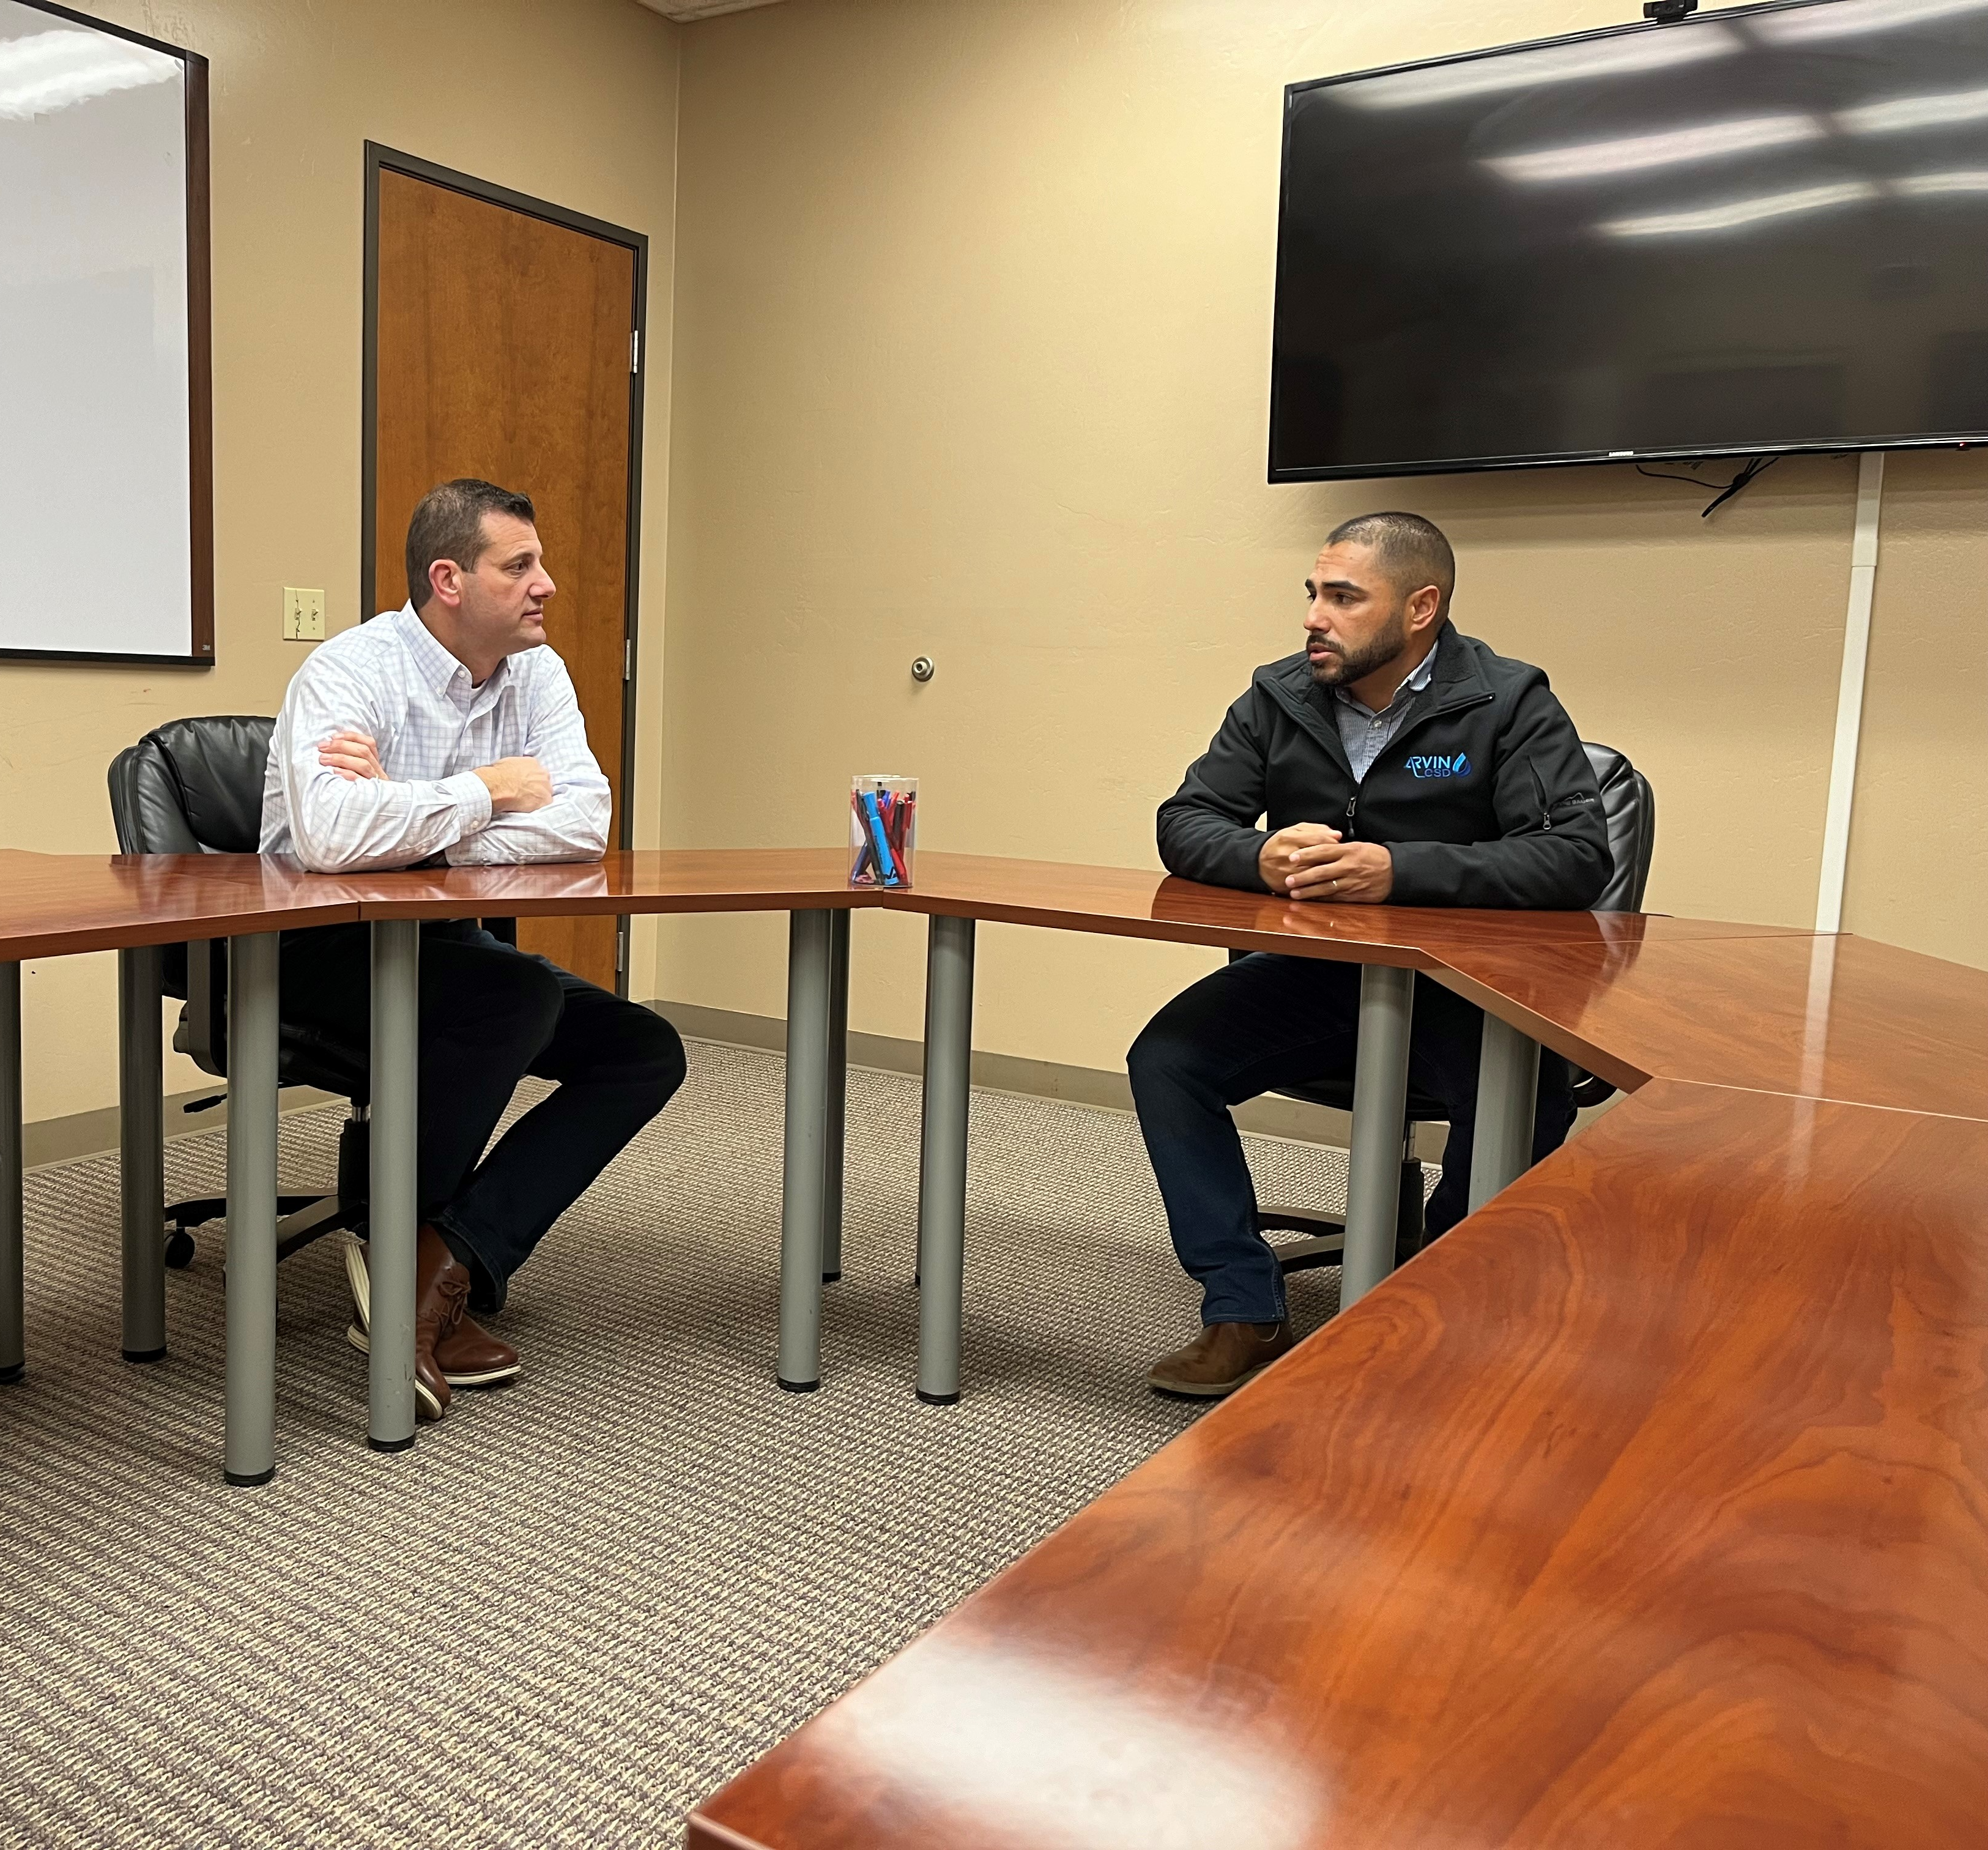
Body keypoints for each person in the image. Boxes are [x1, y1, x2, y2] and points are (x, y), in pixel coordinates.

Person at [1129, 511, 1609, 1399]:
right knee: (1167, 1060)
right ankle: (1240, 1303)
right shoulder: (1277, 698)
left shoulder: (1505, 702)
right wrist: (1255, 855)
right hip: (1316, 981)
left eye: (1343, 597)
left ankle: (1442, 1292)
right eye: (1312, 593)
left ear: (1420, 607)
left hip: (1459, 989)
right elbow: (1184, 821)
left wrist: (1401, 871)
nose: (1314, 616)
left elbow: (1575, 856)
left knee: (1526, 1094)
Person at [261, 478, 687, 1422]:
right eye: (520, 565)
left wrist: (419, 813)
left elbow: (586, 821)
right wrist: (493, 786)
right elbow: (330, 839)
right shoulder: (348, 670)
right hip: (313, 950)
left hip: (446, 944)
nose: (548, 585)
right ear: (448, 578)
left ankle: (439, 1260)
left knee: (641, 1049)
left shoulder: (537, 673)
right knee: (512, 997)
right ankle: (413, 1259)